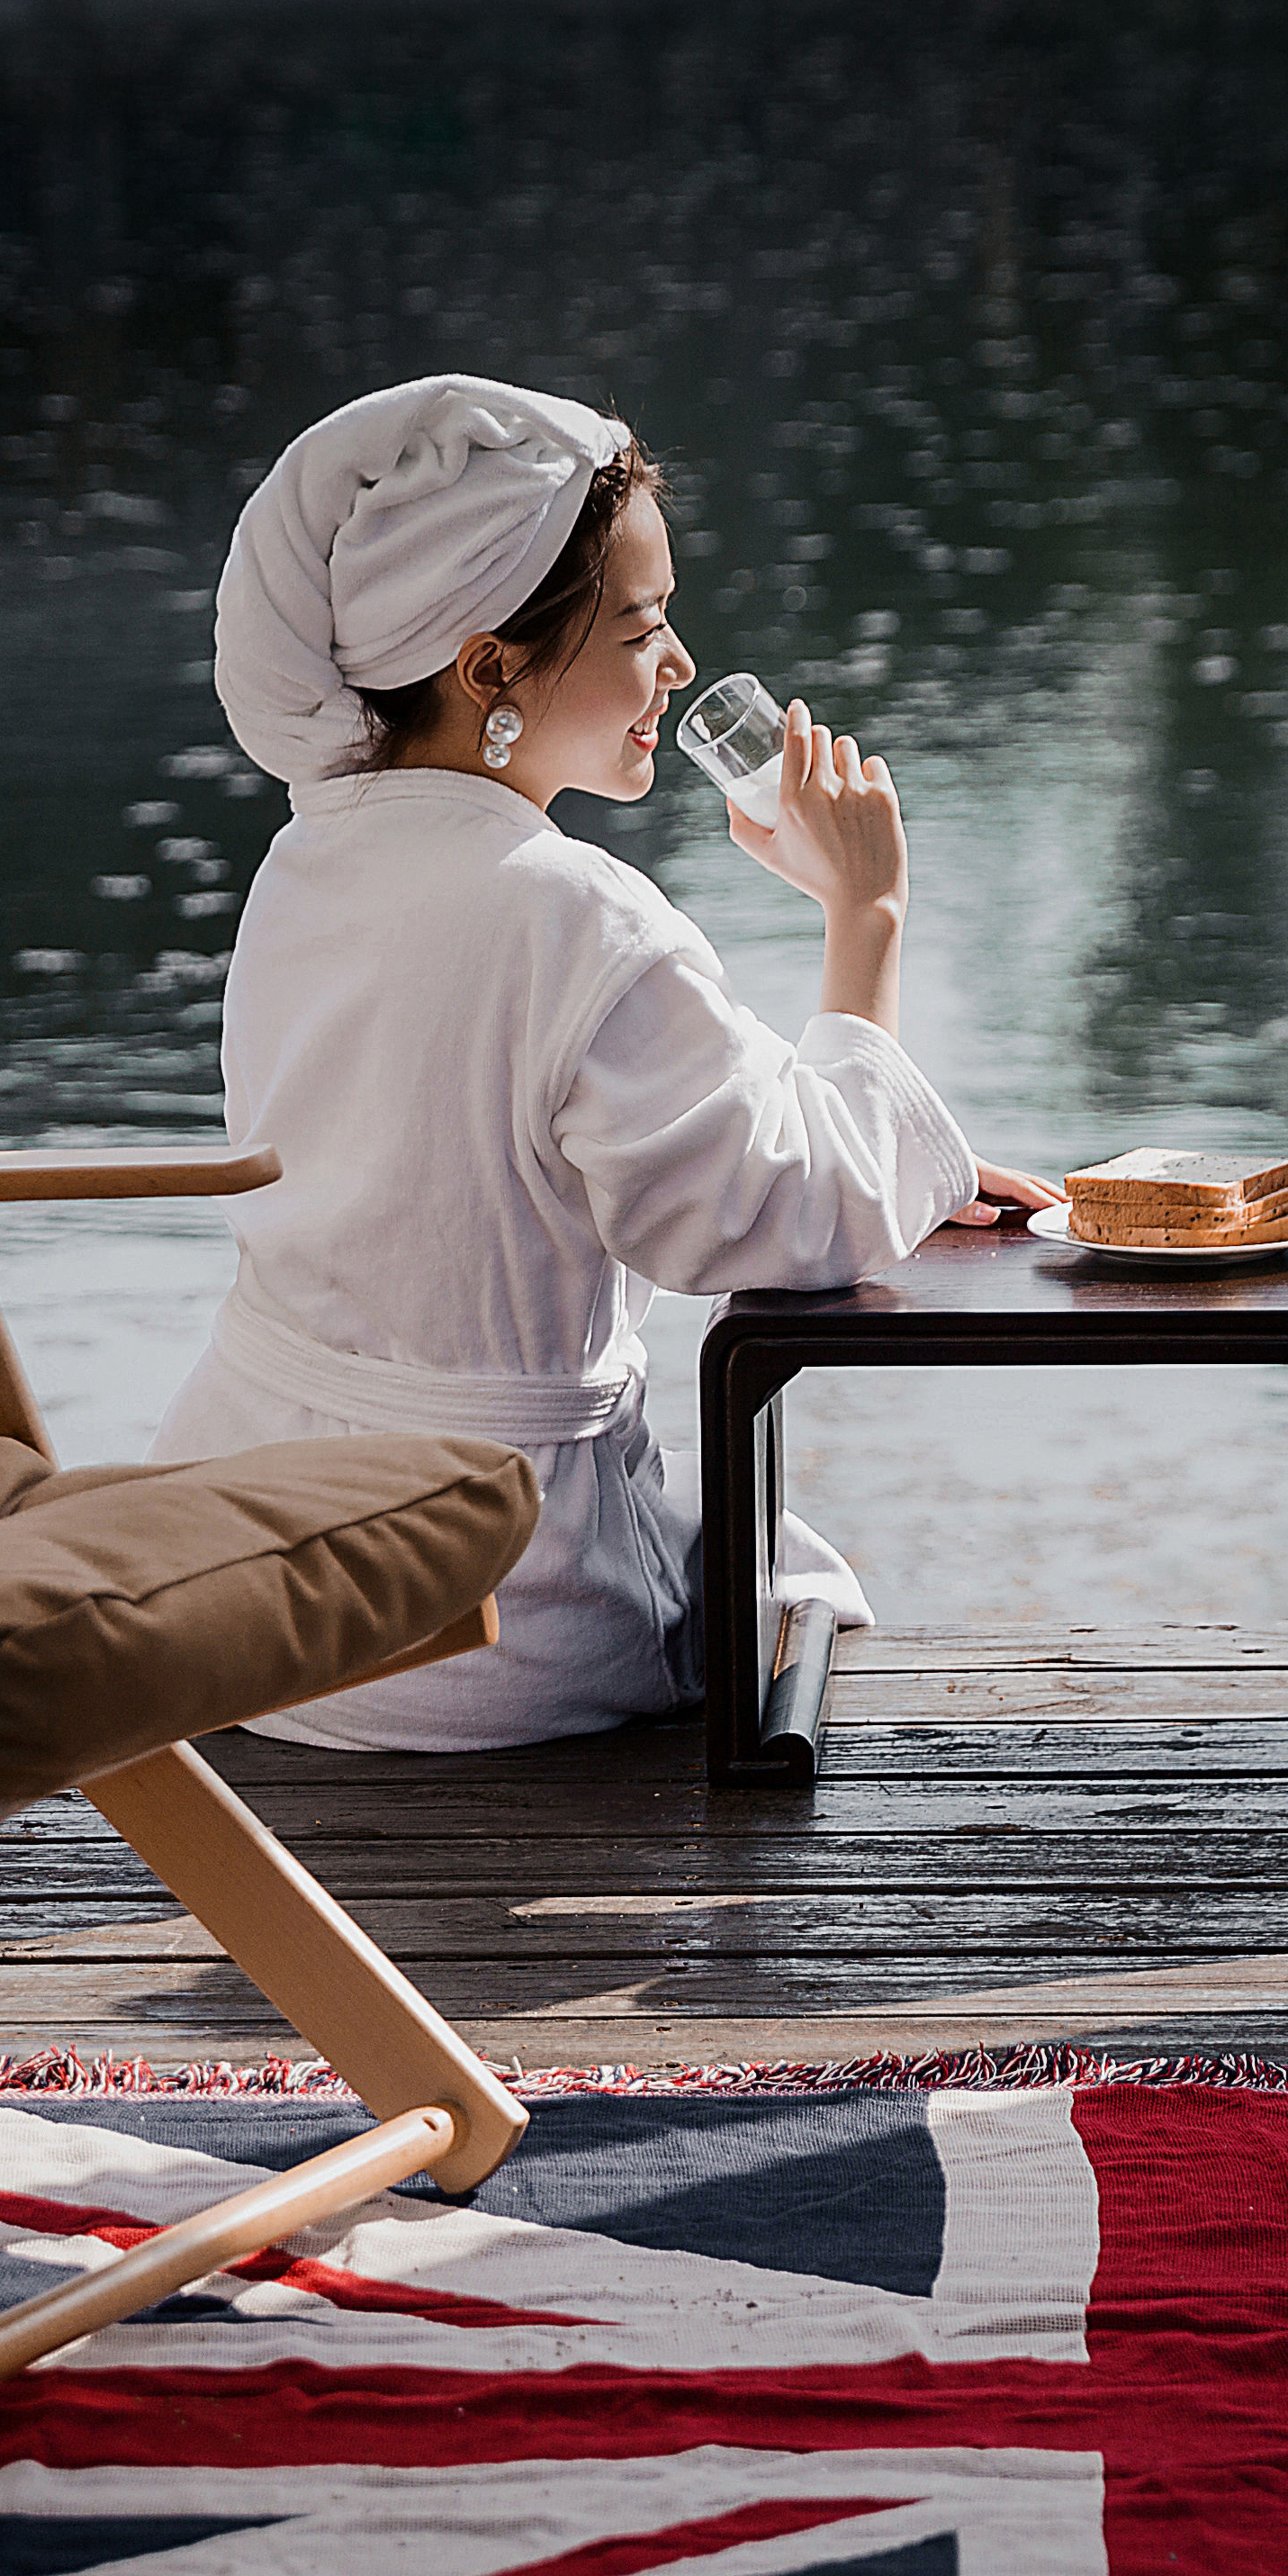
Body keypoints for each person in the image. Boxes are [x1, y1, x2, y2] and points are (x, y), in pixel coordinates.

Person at [156, 372, 1053, 1748]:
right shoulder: (575, 911)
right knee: (789, 1604)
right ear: (490, 671)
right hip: (478, 1613)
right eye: (640, 627)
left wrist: (878, 1139)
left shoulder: (310, 860)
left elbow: (528, 1114)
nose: (678, 663)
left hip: (247, 1573)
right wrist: (865, 916)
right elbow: (796, 1222)